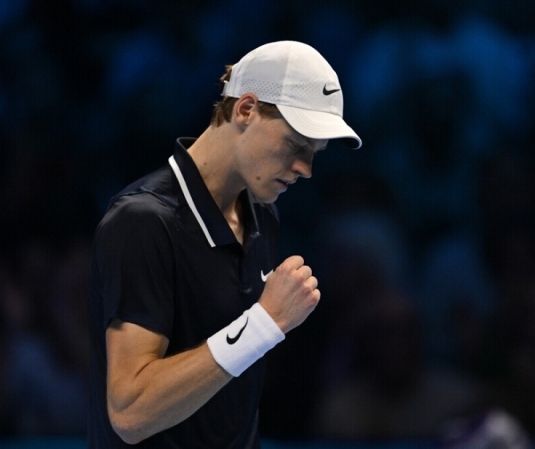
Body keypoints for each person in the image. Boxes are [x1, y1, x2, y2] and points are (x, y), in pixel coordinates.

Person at [86, 40, 361, 448]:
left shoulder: (263, 214)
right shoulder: (143, 221)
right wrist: (264, 324)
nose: (305, 168)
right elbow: (131, 412)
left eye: (314, 153)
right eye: (296, 144)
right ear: (245, 109)